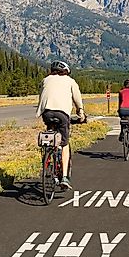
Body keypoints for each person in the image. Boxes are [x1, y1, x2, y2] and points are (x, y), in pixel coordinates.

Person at [36, 60, 84, 190]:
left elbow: (41, 95)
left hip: (46, 113)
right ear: (66, 71)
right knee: (64, 144)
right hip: (62, 114)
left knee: (50, 135)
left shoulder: (45, 80)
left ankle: (47, 160)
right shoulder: (70, 81)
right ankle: (64, 177)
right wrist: (81, 112)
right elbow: (77, 98)